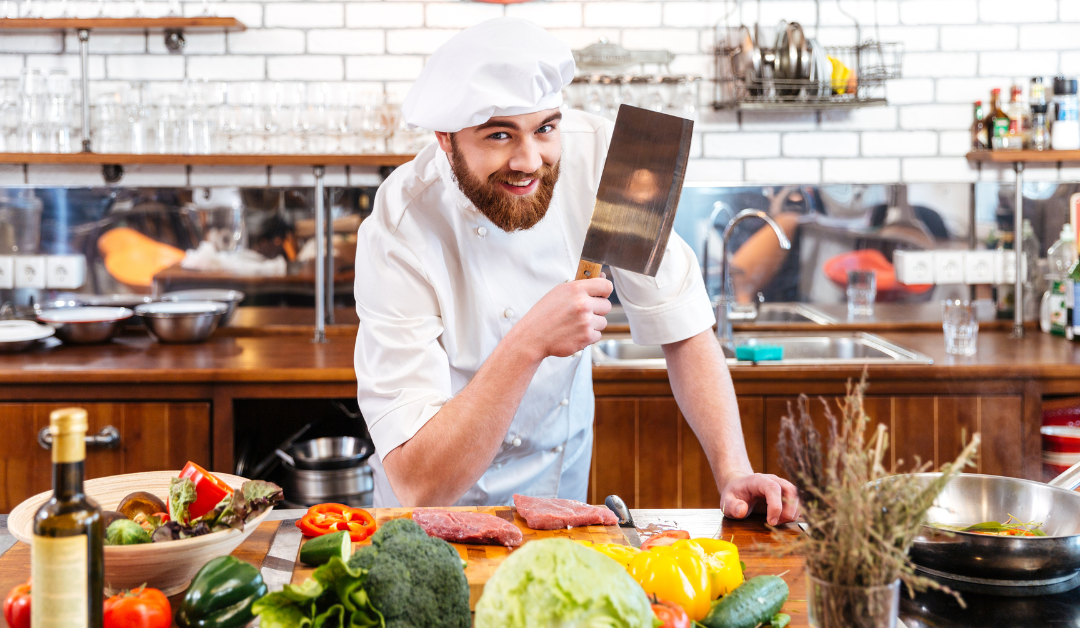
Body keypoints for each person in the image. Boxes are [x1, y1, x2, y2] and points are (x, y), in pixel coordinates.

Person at [353, 17, 798, 525]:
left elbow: (683, 324)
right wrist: (529, 342)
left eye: (545, 128)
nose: (529, 160)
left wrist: (733, 471)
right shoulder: (399, 227)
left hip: (559, 502)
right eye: (499, 135)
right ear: (445, 139)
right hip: (433, 516)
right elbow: (418, 481)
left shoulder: (615, 159)